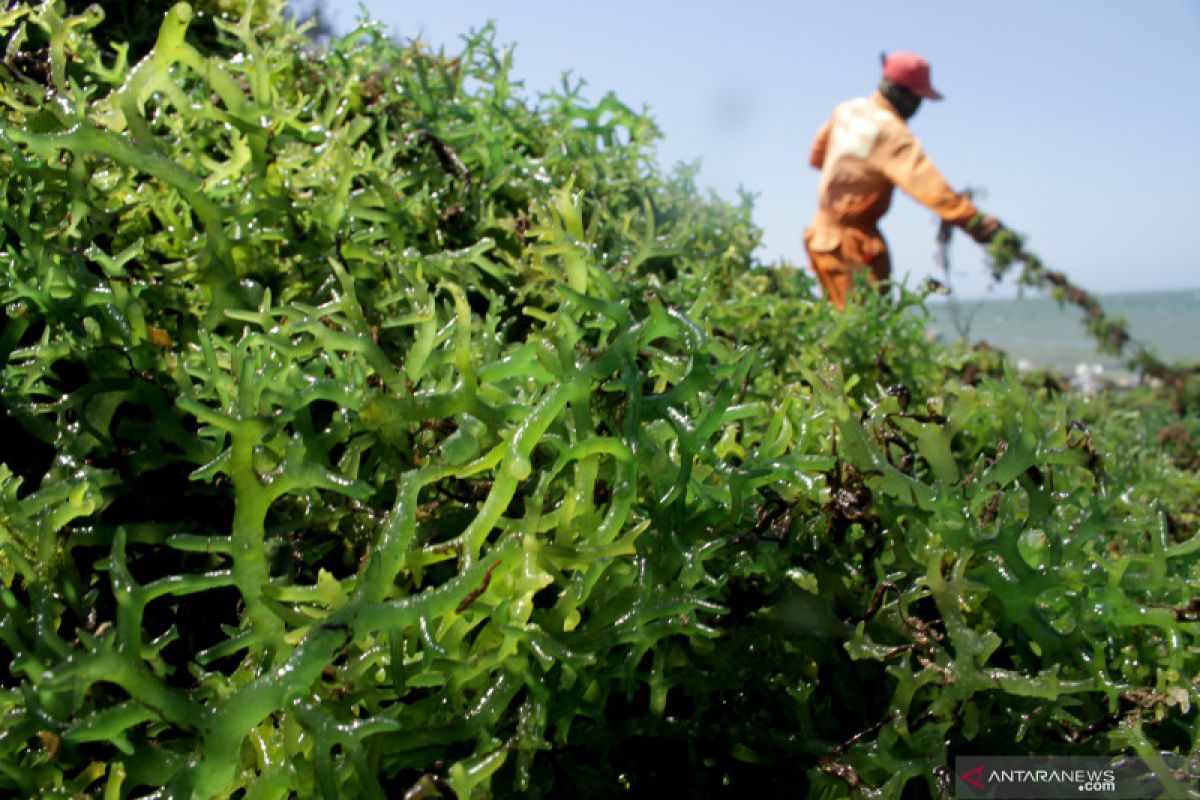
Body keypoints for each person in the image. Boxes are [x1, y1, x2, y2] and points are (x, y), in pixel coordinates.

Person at [804, 51, 1002, 308]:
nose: (919, 107)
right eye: (919, 99)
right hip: (853, 246)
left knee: (839, 324)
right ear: (905, 95)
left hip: (820, 236)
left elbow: (816, 158)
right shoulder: (893, 134)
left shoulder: (846, 110)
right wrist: (977, 223)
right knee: (866, 334)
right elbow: (931, 189)